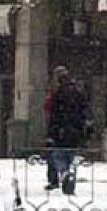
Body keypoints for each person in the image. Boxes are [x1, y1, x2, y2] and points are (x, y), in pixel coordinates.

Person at [43, 66, 90, 195]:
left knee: (57, 154)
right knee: (71, 154)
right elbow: (84, 110)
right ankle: (70, 176)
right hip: (75, 129)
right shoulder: (77, 92)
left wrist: (51, 131)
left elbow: (50, 110)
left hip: (60, 129)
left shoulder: (57, 93)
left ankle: (62, 174)